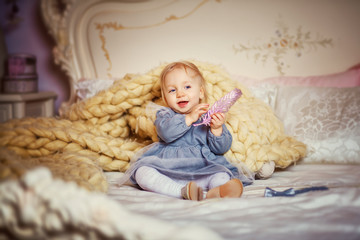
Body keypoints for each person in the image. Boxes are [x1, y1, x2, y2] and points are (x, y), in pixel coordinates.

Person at [122, 61, 252, 201]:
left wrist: (216, 129)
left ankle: (217, 190)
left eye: (187, 87)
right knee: (142, 173)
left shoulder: (208, 117)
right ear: (165, 98)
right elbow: (166, 133)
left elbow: (221, 149)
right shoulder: (165, 115)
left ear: (200, 92)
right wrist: (189, 118)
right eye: (172, 90)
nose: (180, 94)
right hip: (168, 169)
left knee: (222, 174)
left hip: (203, 170)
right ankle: (180, 191)